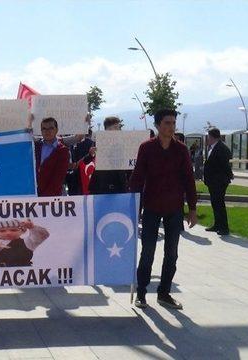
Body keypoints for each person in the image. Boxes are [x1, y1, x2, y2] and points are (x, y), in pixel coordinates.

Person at [129, 109, 197, 310]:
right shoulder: (146, 148)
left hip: (174, 208)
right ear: (158, 125)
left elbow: (188, 180)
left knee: (172, 253)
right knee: (148, 252)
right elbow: (137, 179)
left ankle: (164, 293)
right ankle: (141, 293)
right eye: (167, 122)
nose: (171, 126)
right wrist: (134, 209)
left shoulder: (182, 150)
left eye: (173, 122)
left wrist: (192, 208)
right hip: (151, 207)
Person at [85, 116, 129, 194]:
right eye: (115, 127)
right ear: (107, 129)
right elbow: (86, 161)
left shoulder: (125, 143)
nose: (117, 130)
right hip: (100, 184)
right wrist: (91, 154)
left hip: (119, 184)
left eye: (118, 128)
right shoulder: (99, 141)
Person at [203, 128, 233, 236]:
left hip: (219, 181)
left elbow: (224, 164)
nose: (207, 139)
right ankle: (217, 224)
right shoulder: (213, 147)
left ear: (212, 137)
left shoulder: (221, 148)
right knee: (215, 203)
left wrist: (229, 176)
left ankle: (224, 228)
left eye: (208, 137)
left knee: (219, 203)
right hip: (213, 181)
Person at [35, 117, 70, 196]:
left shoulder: (63, 151)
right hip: (32, 196)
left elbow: (58, 179)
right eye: (44, 128)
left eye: (51, 128)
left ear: (56, 130)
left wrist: (42, 198)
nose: (47, 131)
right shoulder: (35, 147)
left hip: (51, 199)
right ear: (41, 131)